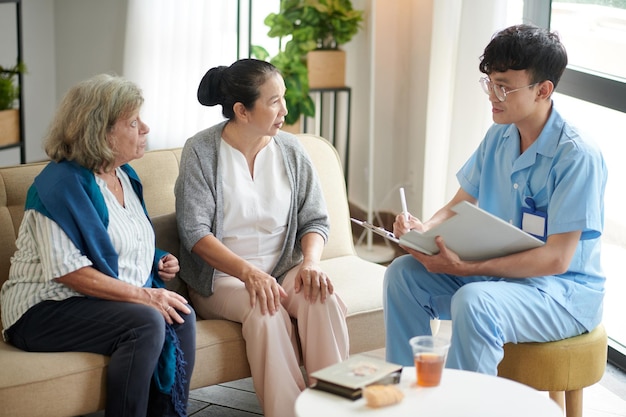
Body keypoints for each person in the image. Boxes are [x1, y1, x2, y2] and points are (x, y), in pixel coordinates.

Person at [383, 24, 607, 373]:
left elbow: (556, 260)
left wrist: (466, 268)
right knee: (403, 275)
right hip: (501, 277)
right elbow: (461, 204)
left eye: (503, 87)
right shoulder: (499, 136)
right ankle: (405, 391)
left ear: (542, 90)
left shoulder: (577, 157)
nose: (492, 95)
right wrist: (422, 230)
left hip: (560, 293)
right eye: (490, 83)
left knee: (475, 302)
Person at [0, 74, 196, 417]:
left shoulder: (124, 176)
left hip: (95, 300)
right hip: (43, 309)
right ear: (101, 132)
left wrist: (158, 259)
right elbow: (68, 271)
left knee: (181, 315)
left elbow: (118, 241)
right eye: (133, 122)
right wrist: (148, 295)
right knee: (146, 321)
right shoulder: (59, 186)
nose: (145, 128)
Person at [175, 58, 349, 417]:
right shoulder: (201, 151)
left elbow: (315, 218)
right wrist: (249, 274)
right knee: (266, 309)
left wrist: (311, 264)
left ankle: (336, 408)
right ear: (241, 110)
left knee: (323, 298)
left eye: (283, 98)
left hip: (281, 268)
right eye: (274, 101)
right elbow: (194, 233)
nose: (285, 109)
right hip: (222, 278)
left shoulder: (291, 150)